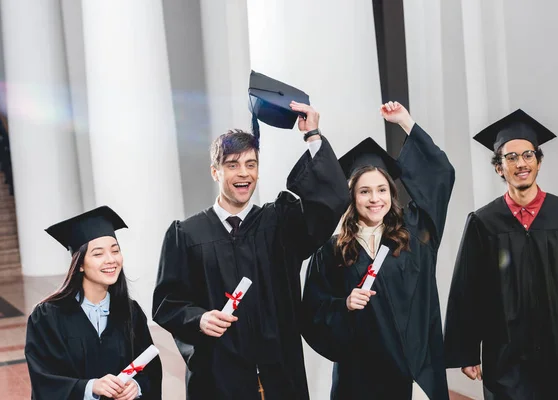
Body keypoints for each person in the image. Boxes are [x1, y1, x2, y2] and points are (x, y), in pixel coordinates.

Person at [152, 72, 349, 399]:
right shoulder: (186, 235)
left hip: (277, 376)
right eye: (232, 165)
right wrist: (198, 319)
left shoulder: (279, 224)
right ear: (216, 171)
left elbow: (331, 202)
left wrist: (312, 135)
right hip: (218, 377)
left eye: (250, 164)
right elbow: (167, 303)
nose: (243, 173)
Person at [301, 101, 455, 400]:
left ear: (391, 193)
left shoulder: (416, 233)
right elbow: (312, 313)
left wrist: (406, 122)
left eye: (382, 190)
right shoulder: (332, 252)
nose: (375, 199)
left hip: (415, 373)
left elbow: (440, 177)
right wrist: (344, 304)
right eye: (364, 191)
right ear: (351, 197)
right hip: (359, 380)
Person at [444, 109, 558, 399]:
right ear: (499, 168)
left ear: (539, 162)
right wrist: (466, 351)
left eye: (528, 155)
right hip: (502, 346)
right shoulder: (483, 222)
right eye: (511, 157)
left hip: (554, 342)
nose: (521, 163)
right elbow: (467, 288)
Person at [25, 206, 163, 400]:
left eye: (115, 251)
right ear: (80, 264)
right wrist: (90, 388)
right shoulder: (48, 317)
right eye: (98, 254)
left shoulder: (130, 312)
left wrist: (137, 385)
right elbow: (44, 380)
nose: (111, 260)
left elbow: (151, 371)